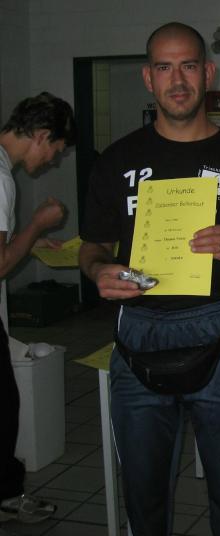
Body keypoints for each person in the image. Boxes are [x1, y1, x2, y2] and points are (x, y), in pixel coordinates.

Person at [78, 22, 220, 536]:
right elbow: (93, 246)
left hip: (216, 329)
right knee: (143, 495)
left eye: (189, 65)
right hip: (137, 330)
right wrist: (98, 269)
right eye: (165, 67)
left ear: (208, 73)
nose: (177, 80)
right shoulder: (116, 161)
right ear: (148, 77)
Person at [0, 93, 74, 526]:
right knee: (4, 407)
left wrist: (27, 242)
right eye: (56, 150)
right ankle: (7, 497)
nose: (52, 160)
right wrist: (36, 226)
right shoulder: (1, 177)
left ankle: (7, 494)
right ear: (42, 135)